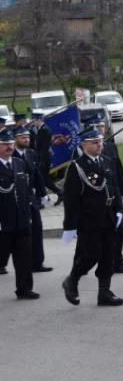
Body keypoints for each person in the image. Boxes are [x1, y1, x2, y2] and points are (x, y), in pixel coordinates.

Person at [61, 126, 123, 307]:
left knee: (108, 256)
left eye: (100, 141)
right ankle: (72, 280)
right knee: (92, 255)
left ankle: (104, 293)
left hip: (109, 217)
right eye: (94, 142)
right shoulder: (77, 167)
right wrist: (69, 226)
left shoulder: (106, 161)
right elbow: (70, 198)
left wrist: (119, 209)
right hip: (89, 220)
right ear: (84, 144)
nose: (99, 145)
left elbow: (114, 187)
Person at [0, 128, 38, 299]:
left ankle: (24, 288)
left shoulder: (19, 163)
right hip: (3, 221)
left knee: (24, 257)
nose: (8, 147)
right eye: (4, 144)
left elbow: (25, 190)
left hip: (21, 219)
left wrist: (29, 211)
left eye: (10, 143)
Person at [93, 118, 123, 274]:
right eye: (97, 127)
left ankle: (118, 262)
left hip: (115, 193)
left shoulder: (110, 146)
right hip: (98, 198)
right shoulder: (85, 150)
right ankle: (89, 263)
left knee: (119, 230)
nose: (101, 129)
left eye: (102, 126)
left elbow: (119, 170)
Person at [12, 127, 52, 273]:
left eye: (27, 137)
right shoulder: (10, 154)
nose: (26, 140)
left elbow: (37, 175)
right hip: (15, 199)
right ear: (16, 139)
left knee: (37, 228)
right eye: (22, 137)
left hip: (30, 197)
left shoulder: (31, 154)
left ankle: (37, 263)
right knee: (16, 234)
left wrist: (43, 193)